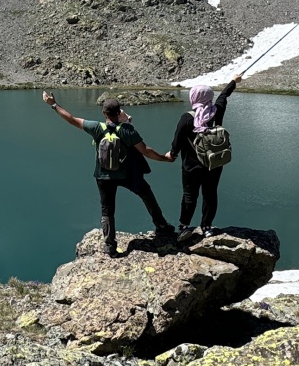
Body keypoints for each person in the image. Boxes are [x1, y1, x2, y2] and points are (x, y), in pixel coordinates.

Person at [42, 91, 174, 256]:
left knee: (107, 210)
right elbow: (146, 151)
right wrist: (165, 158)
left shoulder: (96, 128)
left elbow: (71, 118)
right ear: (119, 112)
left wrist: (53, 104)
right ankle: (161, 225)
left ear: (103, 113)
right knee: (146, 193)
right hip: (127, 175)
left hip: (103, 177)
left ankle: (110, 246)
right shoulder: (127, 130)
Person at [169, 74, 242, 243]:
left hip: (191, 167)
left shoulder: (187, 118)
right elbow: (223, 96)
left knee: (189, 196)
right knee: (210, 194)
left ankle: (184, 226)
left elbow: (177, 141)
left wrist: (172, 154)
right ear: (209, 97)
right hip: (214, 164)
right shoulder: (216, 112)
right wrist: (233, 81)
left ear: (194, 98)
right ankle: (207, 227)